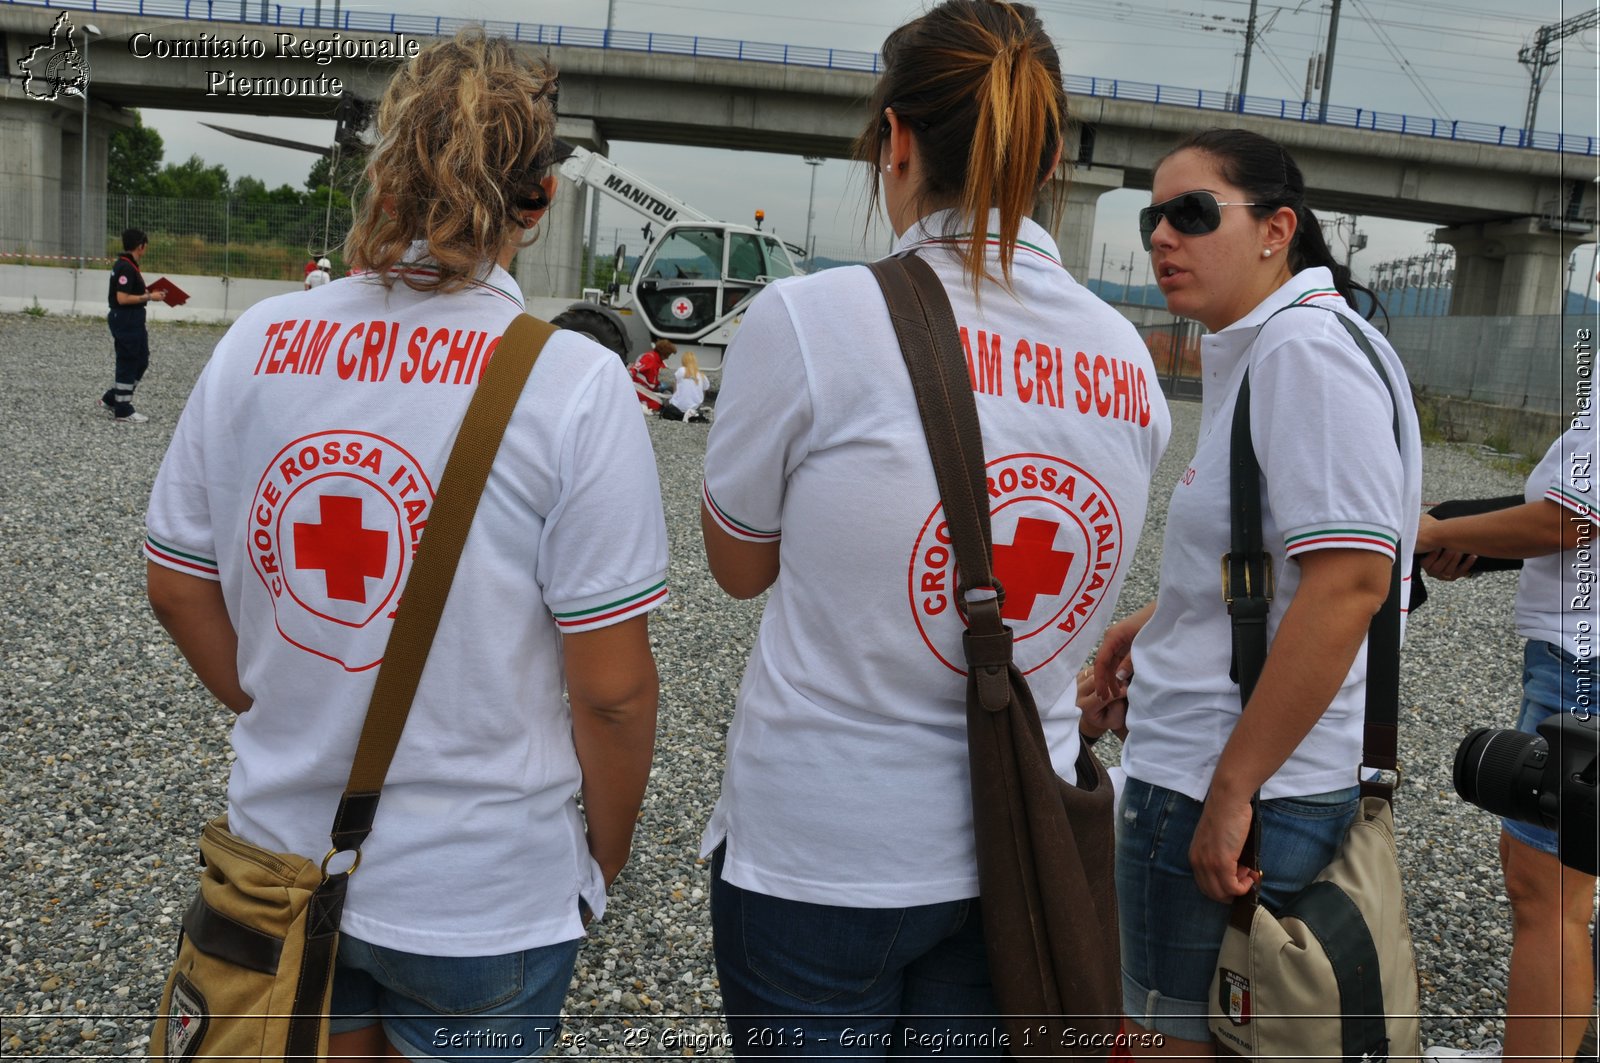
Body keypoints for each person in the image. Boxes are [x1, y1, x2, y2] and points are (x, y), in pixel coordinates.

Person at [142, 29, 667, 1062]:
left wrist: (285, 707)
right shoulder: (572, 383)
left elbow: (175, 583)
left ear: (385, 167)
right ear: (539, 201)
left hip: (281, 866)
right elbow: (610, 689)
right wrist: (599, 859)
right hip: (488, 888)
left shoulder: (257, 340)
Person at [699, 2, 1171, 1053]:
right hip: (1020, 855)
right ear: (1051, 155)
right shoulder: (1129, 368)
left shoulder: (811, 321)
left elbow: (735, 566)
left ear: (896, 142)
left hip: (817, 853)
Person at [1088, 127, 1422, 1058]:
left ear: (1278, 229)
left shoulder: (1300, 355)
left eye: (1191, 213)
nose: (1161, 236)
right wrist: (1159, 623)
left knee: (1165, 1036)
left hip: (1218, 779)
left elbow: (1353, 581)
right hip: (1272, 771)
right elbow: (1289, 564)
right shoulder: (1301, 343)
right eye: (1153, 214)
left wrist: (1232, 786)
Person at [1414, 426, 1596, 1063]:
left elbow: (1577, 520)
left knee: (1547, 893)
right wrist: (1468, 531)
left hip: (1584, 659)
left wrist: (1432, 533)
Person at [99, 228, 166, 424]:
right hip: (127, 318)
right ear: (141, 246)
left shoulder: (127, 265)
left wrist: (149, 293)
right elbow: (122, 298)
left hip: (133, 318)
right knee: (129, 360)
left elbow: (128, 292)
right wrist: (149, 297)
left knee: (141, 359)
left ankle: (112, 398)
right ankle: (123, 409)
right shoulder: (126, 267)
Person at [658, 349, 708, 422]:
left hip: (677, 406)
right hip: (694, 407)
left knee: (665, 396)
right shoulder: (703, 376)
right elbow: (704, 392)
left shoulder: (681, 370)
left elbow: (675, 390)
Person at [630, 338, 675, 412]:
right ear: (664, 353)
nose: (668, 357)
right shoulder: (649, 359)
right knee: (657, 404)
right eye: (668, 354)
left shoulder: (655, 359)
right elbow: (633, 371)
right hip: (637, 387)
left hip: (644, 387)